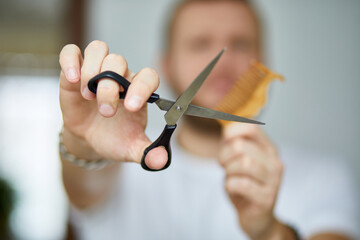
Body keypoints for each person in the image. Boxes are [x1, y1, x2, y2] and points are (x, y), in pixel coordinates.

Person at [58, 0, 359, 239]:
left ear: (264, 59)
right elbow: (84, 188)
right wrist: (83, 142)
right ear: (167, 64)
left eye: (240, 44)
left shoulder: (323, 177)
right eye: (199, 44)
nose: (223, 62)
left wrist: (270, 233)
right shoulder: (121, 166)